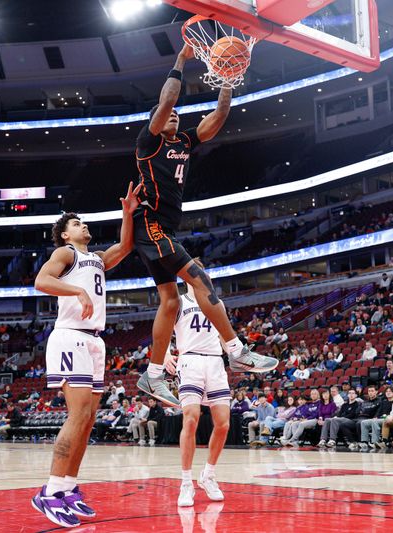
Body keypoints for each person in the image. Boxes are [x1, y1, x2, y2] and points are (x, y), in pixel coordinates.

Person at [134, 44, 277, 407]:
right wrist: (181, 60)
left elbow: (220, 114)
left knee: (169, 302)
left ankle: (151, 376)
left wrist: (227, 78)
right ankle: (237, 350)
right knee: (200, 279)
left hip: (163, 227)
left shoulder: (184, 140)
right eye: (168, 116)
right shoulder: (148, 143)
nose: (174, 118)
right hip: (152, 225)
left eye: (177, 116)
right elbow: (166, 101)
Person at [30, 183, 141, 528]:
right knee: (78, 416)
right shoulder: (66, 254)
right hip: (70, 337)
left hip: (94, 340)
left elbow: (125, 246)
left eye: (83, 223)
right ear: (65, 234)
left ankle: (67, 488)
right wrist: (76, 289)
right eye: (76, 224)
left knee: (89, 419)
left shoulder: (95, 257)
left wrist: (127, 214)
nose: (84, 226)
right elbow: (41, 281)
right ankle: (47, 492)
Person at [164, 273, 234, 507]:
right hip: (190, 361)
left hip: (215, 362)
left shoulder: (217, 303)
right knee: (191, 418)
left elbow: (225, 335)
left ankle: (208, 475)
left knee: (223, 423)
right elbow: (162, 328)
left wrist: (238, 353)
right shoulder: (180, 301)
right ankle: (186, 482)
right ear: (188, 279)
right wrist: (163, 353)